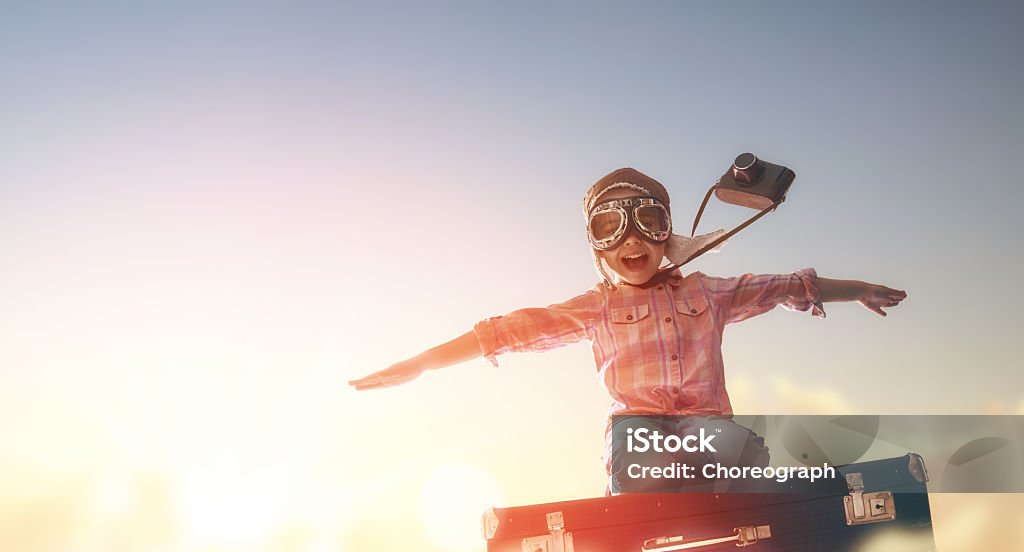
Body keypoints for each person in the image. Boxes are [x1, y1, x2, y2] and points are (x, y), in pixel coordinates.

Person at [349, 168, 907, 494]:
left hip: (707, 430)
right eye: (610, 228)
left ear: (666, 233)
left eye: (649, 224)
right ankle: (653, 502)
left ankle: (741, 502)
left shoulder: (705, 294)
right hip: (639, 434)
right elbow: (506, 333)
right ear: (595, 244)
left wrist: (856, 288)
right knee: (643, 460)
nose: (632, 241)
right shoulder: (594, 308)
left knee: (736, 448)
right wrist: (419, 363)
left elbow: (785, 285)